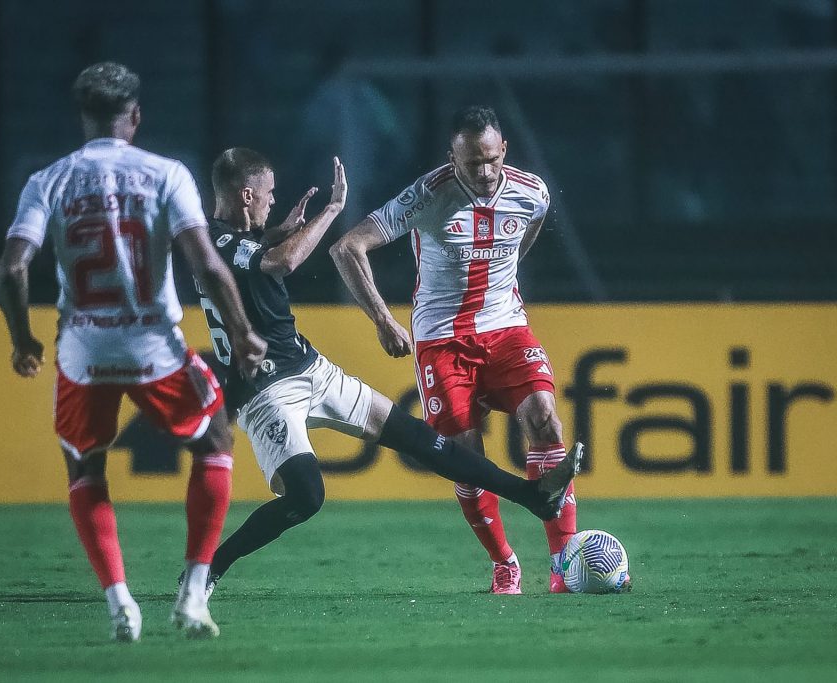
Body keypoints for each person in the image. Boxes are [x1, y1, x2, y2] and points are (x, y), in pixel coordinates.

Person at [189, 147, 580, 597]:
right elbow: (281, 263)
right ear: (245, 195)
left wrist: (280, 230)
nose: (272, 201)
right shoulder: (211, 240)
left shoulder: (234, 240)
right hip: (266, 390)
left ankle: (533, 496)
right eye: (268, 194)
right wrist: (331, 210)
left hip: (310, 368)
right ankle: (209, 567)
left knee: (420, 439)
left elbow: (256, 253)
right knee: (306, 497)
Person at [0, 62, 266, 642]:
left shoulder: (49, 179)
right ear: (135, 116)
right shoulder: (165, 173)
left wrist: (22, 339)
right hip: (153, 346)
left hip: (83, 353)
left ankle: (120, 602)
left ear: (83, 118)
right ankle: (193, 595)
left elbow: (13, 268)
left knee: (85, 465)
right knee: (215, 438)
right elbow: (208, 265)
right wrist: (243, 331)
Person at [330, 105, 576, 594]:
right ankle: (505, 562)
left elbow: (523, 238)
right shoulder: (429, 193)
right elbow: (347, 247)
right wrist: (383, 319)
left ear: (504, 150)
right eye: (471, 164)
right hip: (442, 338)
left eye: (490, 160)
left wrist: (500, 287)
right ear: (453, 158)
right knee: (463, 452)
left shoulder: (533, 193)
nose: (483, 173)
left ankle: (564, 566)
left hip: (505, 326)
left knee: (546, 417)